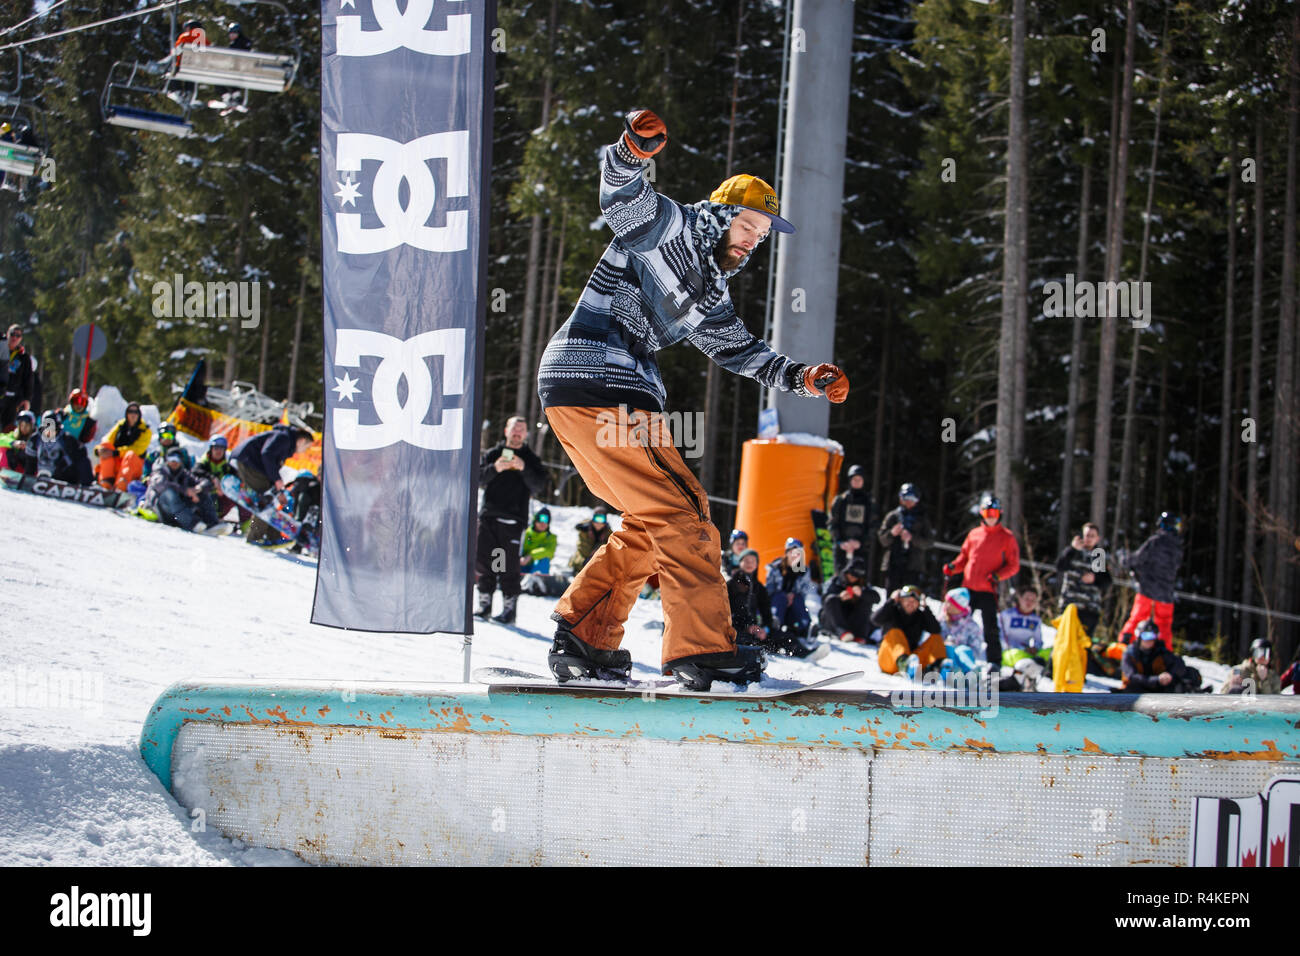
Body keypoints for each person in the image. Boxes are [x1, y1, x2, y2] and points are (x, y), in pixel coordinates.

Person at [536, 108, 848, 689]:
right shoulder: (672, 227)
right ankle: (700, 650)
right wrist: (633, 147)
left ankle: (585, 634)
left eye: (763, 236)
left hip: (603, 395)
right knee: (684, 515)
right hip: (599, 381)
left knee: (653, 519)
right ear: (726, 213)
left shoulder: (709, 292)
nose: (754, 242)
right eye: (750, 226)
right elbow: (621, 195)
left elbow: (739, 350)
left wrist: (804, 379)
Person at [474, 416, 547, 624]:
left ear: (526, 434)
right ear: (506, 430)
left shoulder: (531, 459)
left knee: (507, 566)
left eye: (521, 430)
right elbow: (477, 478)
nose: (517, 433)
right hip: (489, 516)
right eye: (514, 428)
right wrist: (495, 468)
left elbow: (539, 486)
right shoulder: (493, 454)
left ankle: (509, 610)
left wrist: (523, 468)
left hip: (514, 521)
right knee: (486, 562)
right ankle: (485, 604)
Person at [942, 493, 1020, 673]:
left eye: (993, 512)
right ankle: (952, 652)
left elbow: (1013, 565)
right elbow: (964, 558)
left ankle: (994, 661)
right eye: (987, 513)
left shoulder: (1007, 537)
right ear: (982, 514)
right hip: (968, 588)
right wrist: (953, 567)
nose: (990, 516)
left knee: (990, 626)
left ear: (999, 513)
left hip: (987, 588)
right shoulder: (974, 534)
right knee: (958, 620)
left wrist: (998, 576)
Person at [230, 424, 314, 545]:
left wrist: (278, 491)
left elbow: (270, 464)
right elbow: (267, 454)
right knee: (266, 500)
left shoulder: (285, 441)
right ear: (301, 441)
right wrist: (276, 480)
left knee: (272, 498)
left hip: (251, 463)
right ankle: (254, 537)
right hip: (247, 461)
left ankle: (272, 536)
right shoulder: (284, 438)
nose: (304, 451)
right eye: (306, 447)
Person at [1118, 512, 1184, 650]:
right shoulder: (1178, 546)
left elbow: (1138, 558)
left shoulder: (1156, 541)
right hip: (1166, 594)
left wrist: (1124, 559)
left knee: (1138, 618)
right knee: (1164, 624)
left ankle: (1124, 646)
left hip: (1148, 590)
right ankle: (1165, 653)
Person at [762, 538, 828, 660]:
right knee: (780, 597)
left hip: (792, 608)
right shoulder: (776, 567)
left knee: (797, 599)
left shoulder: (803, 570)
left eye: (798, 553)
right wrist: (785, 595)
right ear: (786, 553)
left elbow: (805, 591)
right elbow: (768, 591)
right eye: (792, 552)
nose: (795, 556)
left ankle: (805, 628)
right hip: (777, 604)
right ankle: (774, 623)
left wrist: (792, 595)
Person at [872, 584, 945, 678]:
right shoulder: (892, 610)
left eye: (914, 601)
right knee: (895, 632)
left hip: (913, 661)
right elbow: (875, 620)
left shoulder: (920, 616)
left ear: (918, 603)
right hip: (889, 659)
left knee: (936, 638)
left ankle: (939, 668)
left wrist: (926, 608)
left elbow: (936, 630)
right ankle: (904, 663)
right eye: (907, 600)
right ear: (900, 600)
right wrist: (891, 600)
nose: (910, 603)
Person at [1054, 522, 1112, 639]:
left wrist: (1094, 578)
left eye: (1092, 536)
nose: (1089, 539)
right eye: (1087, 535)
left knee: (1083, 644)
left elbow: (1106, 581)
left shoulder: (1097, 555)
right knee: (1064, 640)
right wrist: (1072, 549)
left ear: (1097, 538)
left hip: (1088, 607)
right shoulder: (1073, 551)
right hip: (1069, 605)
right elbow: (1060, 566)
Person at [877, 482, 934, 593]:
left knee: (910, 597)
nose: (908, 502)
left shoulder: (922, 519)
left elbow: (929, 542)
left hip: (913, 566)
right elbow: (882, 539)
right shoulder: (892, 516)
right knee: (892, 597)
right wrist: (892, 533)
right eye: (905, 498)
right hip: (893, 564)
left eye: (912, 499)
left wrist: (912, 538)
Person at [1120, 620, 1201, 693]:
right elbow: (1132, 676)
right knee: (1132, 688)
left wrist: (1170, 676)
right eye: (1146, 636)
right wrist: (1156, 680)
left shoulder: (1160, 651)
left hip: (1159, 689)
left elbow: (1178, 663)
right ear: (1139, 636)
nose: (1149, 640)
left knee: (1190, 673)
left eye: (1152, 636)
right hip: (1137, 691)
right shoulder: (1130, 653)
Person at [140, 449, 208, 531]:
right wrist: (185, 490)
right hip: (157, 509)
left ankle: (211, 523)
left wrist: (198, 488)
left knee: (202, 493)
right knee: (169, 493)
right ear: (166, 460)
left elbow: (201, 481)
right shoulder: (160, 471)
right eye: (171, 458)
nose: (174, 462)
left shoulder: (183, 473)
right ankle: (192, 524)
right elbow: (161, 484)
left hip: (173, 514)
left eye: (177, 459)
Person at [999, 586, 1050, 691]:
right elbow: (1001, 638)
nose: (1029, 603)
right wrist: (1020, 648)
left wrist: (1035, 648)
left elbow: (1039, 641)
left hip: (1028, 653)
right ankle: (1018, 679)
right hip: (1010, 652)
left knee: (1050, 652)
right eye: (1027, 599)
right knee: (1021, 657)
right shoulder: (1007, 615)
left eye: (1033, 600)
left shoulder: (1035, 620)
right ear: (1020, 598)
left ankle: (1026, 676)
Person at [93, 401, 152, 492]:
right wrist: (99, 450)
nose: (133, 415)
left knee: (130, 454)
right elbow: (108, 439)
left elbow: (138, 450)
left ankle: (121, 486)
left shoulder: (145, 430)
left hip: (133, 465)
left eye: (136, 412)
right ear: (126, 414)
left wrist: (116, 452)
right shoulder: (121, 425)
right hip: (118, 462)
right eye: (130, 412)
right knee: (105, 446)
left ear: (139, 414)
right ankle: (106, 481)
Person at [819, 556, 876, 644]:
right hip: (834, 621)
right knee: (831, 599)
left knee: (866, 601)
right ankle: (842, 632)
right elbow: (824, 600)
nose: (853, 578)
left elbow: (876, 598)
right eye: (852, 574)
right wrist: (839, 597)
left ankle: (859, 635)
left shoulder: (863, 585)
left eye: (856, 576)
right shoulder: (835, 581)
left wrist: (861, 594)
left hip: (853, 623)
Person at [830, 464, 873, 575]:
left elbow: (873, 526)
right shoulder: (840, 500)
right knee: (840, 580)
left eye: (859, 479)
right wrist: (840, 542)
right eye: (854, 479)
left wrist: (861, 543)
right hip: (842, 548)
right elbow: (832, 523)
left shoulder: (869, 502)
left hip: (861, 550)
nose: (857, 482)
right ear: (850, 480)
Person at [726, 548, 772, 647]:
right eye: (746, 560)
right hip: (736, 629)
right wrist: (746, 627)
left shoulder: (760, 588)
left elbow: (767, 613)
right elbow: (726, 613)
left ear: (757, 564)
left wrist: (764, 629)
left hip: (755, 629)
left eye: (753, 561)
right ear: (740, 563)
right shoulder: (731, 585)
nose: (749, 563)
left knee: (783, 636)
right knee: (743, 639)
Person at [192, 435, 236, 527]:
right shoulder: (203, 462)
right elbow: (195, 471)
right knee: (206, 486)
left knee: (237, 496)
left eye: (221, 448)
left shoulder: (227, 466)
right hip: (205, 499)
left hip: (220, 500)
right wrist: (213, 479)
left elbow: (237, 478)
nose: (218, 451)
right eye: (216, 448)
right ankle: (207, 519)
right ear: (211, 449)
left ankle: (247, 527)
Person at [56, 389, 96, 485]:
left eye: (82, 402)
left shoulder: (89, 422)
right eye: (76, 401)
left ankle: (88, 484)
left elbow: (88, 441)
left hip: (73, 454)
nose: (78, 405)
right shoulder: (61, 414)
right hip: (56, 449)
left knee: (82, 456)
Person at [940, 587, 984, 673]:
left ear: (958, 606)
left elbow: (976, 649)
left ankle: (971, 672)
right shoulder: (942, 621)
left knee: (962, 650)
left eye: (950, 603)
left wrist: (958, 647)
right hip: (946, 658)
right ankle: (952, 672)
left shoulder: (972, 626)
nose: (946, 605)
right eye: (946, 602)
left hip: (964, 659)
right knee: (948, 648)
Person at [2, 324, 35, 430]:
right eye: (12, 334)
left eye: (18, 335)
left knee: (9, 428)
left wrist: (27, 399)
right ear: (7, 334)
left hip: (14, 399)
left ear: (21, 338)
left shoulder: (23, 357)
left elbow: (28, 379)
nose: (14, 338)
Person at [569, 505, 613, 574]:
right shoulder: (584, 530)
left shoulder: (608, 534)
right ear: (593, 519)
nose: (599, 522)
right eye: (597, 518)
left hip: (597, 564)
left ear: (605, 521)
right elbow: (583, 550)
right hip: (581, 561)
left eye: (601, 519)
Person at [521, 508, 558, 575]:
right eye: (540, 521)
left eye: (546, 521)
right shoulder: (526, 534)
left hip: (536, 567)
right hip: (522, 565)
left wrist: (531, 555)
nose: (543, 524)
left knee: (545, 559)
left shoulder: (550, 538)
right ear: (535, 521)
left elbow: (549, 551)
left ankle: (538, 578)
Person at [0, 409, 36, 473]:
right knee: (5, 448)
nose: (24, 428)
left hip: (28, 471)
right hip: (13, 468)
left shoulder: (36, 437)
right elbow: (1, 438)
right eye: (22, 425)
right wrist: (13, 443)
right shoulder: (14, 435)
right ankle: (5, 473)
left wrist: (28, 448)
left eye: (27, 425)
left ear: (32, 426)